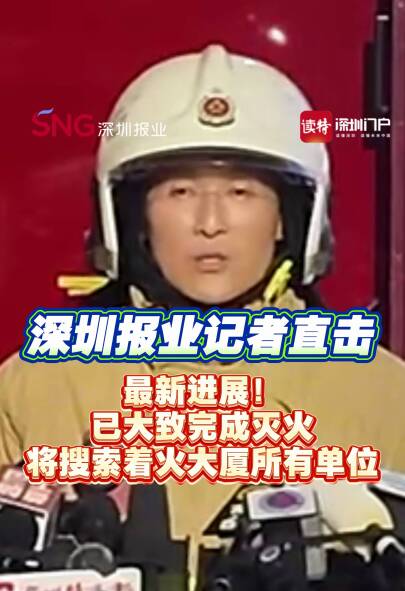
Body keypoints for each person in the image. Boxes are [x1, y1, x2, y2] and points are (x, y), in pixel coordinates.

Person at [0, 44, 403, 561]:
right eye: (181, 192)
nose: (210, 223)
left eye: (241, 192)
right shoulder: (36, 386)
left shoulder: (381, 394)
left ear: (289, 220)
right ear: (132, 217)